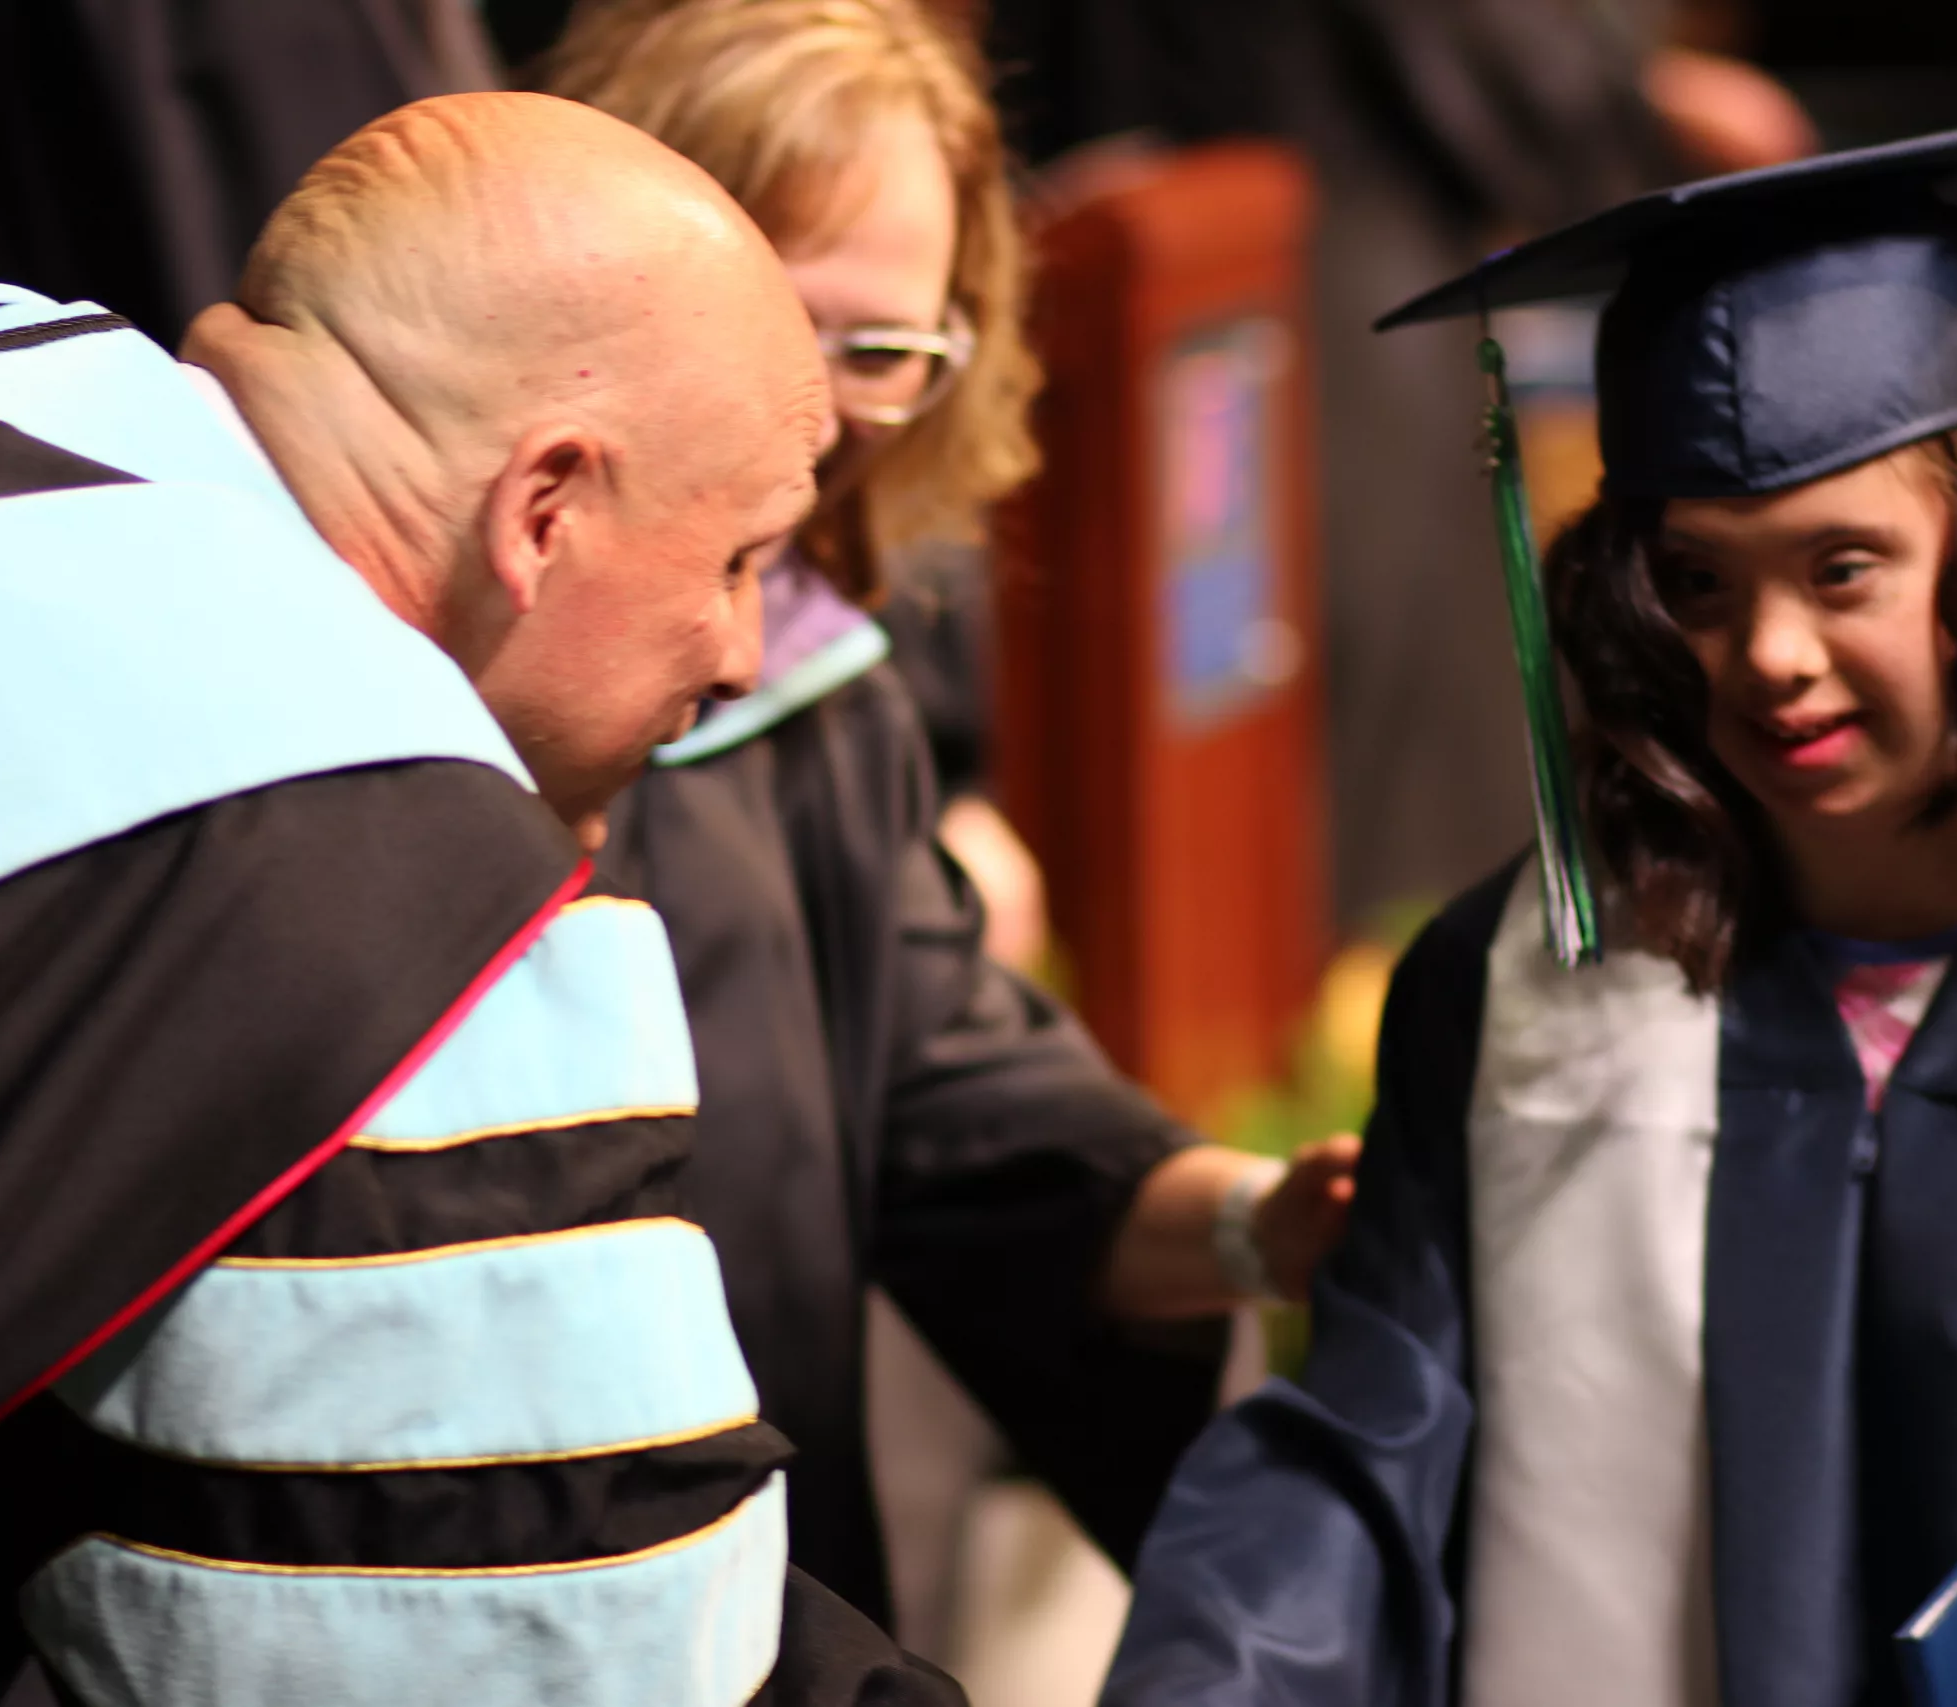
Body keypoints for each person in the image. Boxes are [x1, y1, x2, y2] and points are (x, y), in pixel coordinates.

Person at [0, 92, 955, 1706]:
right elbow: (549, 1651)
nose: (736, 653)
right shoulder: (382, 889)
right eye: (737, 558)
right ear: (547, 508)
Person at [1104, 97, 1957, 1707]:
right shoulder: (1505, 987)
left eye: (1841, 566)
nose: (1768, 656)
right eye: (1699, 585)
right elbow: (1376, 1445)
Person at [532, 0, 1360, 1632]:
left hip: (765, 1577)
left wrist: (1270, 1222)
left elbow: (974, 1127)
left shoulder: (827, 704)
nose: (829, 417)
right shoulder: (436, 724)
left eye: (886, 352)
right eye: (778, 320)